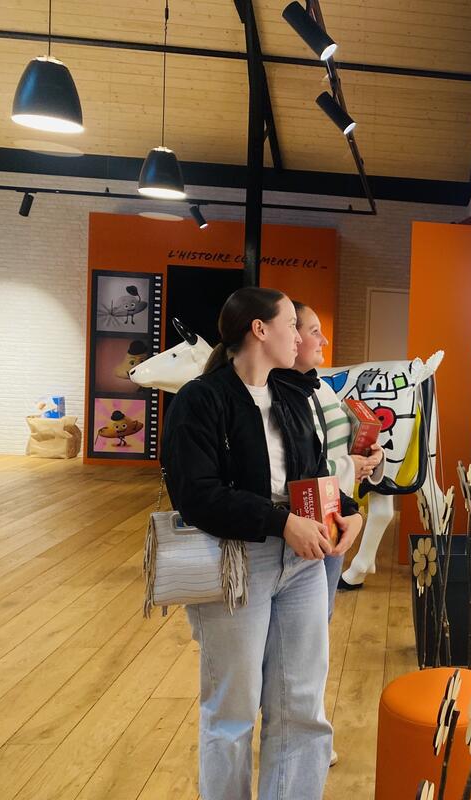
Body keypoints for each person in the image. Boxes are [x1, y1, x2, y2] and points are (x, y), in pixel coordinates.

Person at [161, 287, 358, 800]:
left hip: (304, 566)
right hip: (235, 565)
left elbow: (314, 473)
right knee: (231, 713)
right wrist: (278, 521)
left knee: (302, 709)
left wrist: (350, 513)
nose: (302, 335)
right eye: (293, 324)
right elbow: (196, 496)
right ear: (259, 330)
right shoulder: (199, 401)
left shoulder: (293, 395)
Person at [292, 300, 383, 614]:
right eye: (314, 331)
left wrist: (369, 457)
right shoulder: (280, 397)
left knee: (322, 614)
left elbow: (340, 443)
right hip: (301, 521)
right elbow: (290, 466)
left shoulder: (320, 388)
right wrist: (348, 466)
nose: (324, 340)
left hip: (335, 511)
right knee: (309, 618)